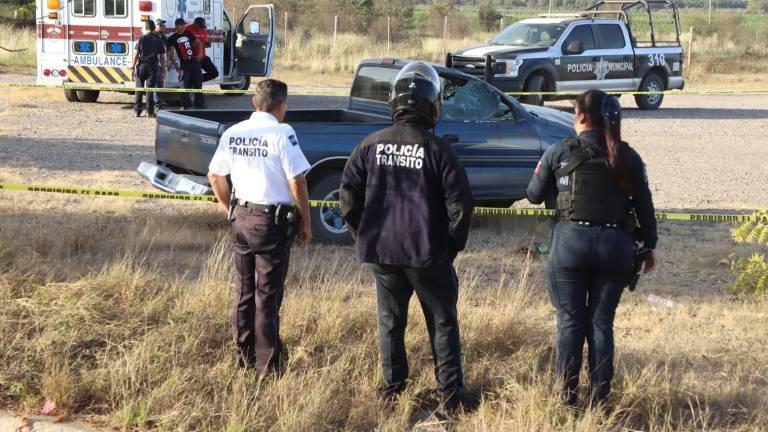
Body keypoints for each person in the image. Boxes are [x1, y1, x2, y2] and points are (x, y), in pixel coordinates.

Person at [340, 62, 474, 414]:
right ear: (433, 103)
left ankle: (393, 390)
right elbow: (461, 206)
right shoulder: (438, 150)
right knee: (442, 323)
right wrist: (450, 248)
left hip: (382, 254)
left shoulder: (369, 146)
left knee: (390, 323)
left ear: (394, 101)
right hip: (428, 255)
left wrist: (364, 235)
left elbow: (347, 198)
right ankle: (450, 397)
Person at [526, 89, 658, 407]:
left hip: (570, 245)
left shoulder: (559, 152)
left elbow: (532, 194)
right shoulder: (627, 156)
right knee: (601, 322)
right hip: (616, 248)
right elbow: (645, 206)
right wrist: (650, 246)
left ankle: (567, 399)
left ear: (582, 116)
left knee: (570, 321)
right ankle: (601, 401)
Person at [207, 79, 312, 374]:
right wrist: (306, 222)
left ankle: (243, 354)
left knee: (243, 291)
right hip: (270, 224)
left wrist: (230, 209)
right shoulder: (282, 132)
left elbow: (215, 176)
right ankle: (266, 366)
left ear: (254, 103)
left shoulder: (234, 132)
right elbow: (297, 180)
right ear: (283, 106)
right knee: (267, 294)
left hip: (240, 218)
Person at [167, 18, 205, 109]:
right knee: (184, 84)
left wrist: (200, 54)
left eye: (184, 25)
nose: (184, 27)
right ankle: (185, 105)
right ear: (177, 26)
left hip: (194, 61)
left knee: (198, 83)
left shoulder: (188, 33)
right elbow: (171, 55)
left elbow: (199, 43)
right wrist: (177, 68)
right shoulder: (172, 38)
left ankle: (199, 104)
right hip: (184, 64)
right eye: (182, 25)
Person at [131, 20, 166, 117]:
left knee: (139, 89)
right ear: (154, 28)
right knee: (150, 90)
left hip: (141, 66)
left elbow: (136, 54)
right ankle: (149, 112)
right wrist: (163, 71)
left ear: (146, 28)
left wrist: (132, 67)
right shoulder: (158, 39)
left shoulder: (142, 38)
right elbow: (162, 57)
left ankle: (137, 111)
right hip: (153, 67)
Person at [186, 17, 219, 83]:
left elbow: (208, 44)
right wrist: (200, 44)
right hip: (193, 57)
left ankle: (194, 81)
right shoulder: (188, 29)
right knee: (196, 74)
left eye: (202, 26)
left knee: (214, 73)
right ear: (195, 23)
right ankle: (195, 82)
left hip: (202, 56)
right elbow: (188, 43)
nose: (201, 28)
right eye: (200, 26)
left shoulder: (203, 30)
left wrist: (205, 43)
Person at [152, 19, 168, 109]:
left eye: (163, 25)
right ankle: (155, 104)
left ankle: (157, 103)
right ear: (156, 26)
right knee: (155, 84)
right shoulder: (152, 36)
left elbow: (168, 49)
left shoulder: (163, 37)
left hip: (162, 63)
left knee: (160, 83)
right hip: (155, 63)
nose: (164, 27)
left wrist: (167, 61)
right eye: (162, 25)